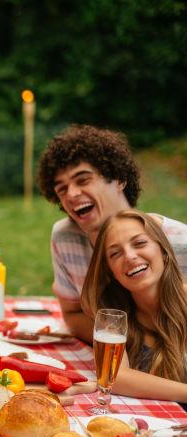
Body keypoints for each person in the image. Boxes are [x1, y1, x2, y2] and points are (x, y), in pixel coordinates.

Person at [37, 124, 187, 343]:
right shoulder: (65, 238)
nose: (71, 194)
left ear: (119, 179)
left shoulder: (180, 241)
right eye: (61, 189)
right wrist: (123, 342)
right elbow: (72, 313)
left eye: (83, 180)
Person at [81, 210, 187, 404]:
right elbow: (116, 378)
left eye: (140, 243)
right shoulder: (114, 313)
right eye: (115, 253)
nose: (130, 256)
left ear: (163, 251)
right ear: (110, 271)